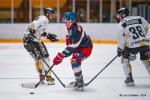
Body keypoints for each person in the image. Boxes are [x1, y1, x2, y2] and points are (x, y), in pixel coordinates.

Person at [53, 12, 93, 91]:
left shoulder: (76, 30)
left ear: (72, 20)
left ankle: (80, 81)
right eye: (64, 21)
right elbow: (72, 45)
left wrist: (61, 55)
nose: (65, 23)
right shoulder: (71, 28)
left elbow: (74, 45)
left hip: (85, 48)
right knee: (74, 62)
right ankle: (78, 79)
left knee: (75, 61)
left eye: (67, 21)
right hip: (78, 48)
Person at [23, 8, 58, 85]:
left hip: (29, 41)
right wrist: (31, 34)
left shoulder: (44, 19)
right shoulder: (44, 19)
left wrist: (48, 36)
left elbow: (40, 32)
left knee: (41, 58)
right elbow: (33, 26)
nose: (53, 16)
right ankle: (46, 77)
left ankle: (44, 76)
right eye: (52, 14)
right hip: (31, 41)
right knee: (43, 58)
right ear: (47, 14)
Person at [116, 7, 150, 86]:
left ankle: (129, 79)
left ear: (123, 15)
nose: (118, 17)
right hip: (144, 43)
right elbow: (147, 27)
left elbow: (121, 38)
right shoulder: (139, 18)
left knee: (125, 59)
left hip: (131, 46)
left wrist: (120, 49)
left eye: (118, 16)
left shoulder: (121, 23)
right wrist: (141, 38)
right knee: (146, 61)